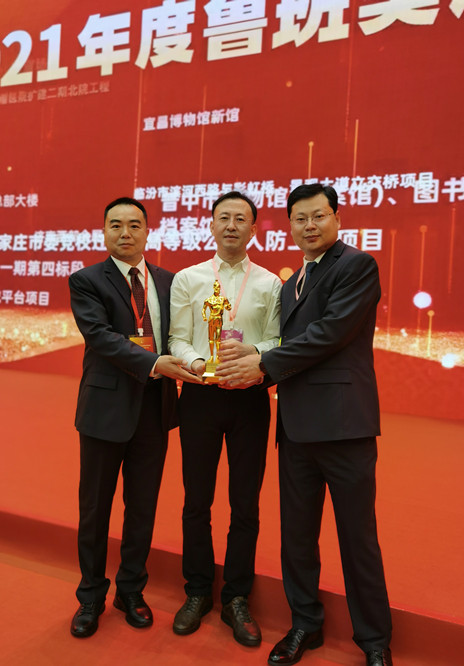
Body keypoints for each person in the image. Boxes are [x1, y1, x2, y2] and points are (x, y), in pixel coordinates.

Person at [216, 184, 393, 666]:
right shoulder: (293, 280)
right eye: (300, 218)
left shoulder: (356, 266)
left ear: (337, 219)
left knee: (357, 538)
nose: (309, 226)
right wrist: (253, 352)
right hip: (294, 427)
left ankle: (374, 641)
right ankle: (304, 625)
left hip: (344, 425)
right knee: (296, 537)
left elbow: (329, 333)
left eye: (318, 216)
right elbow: (284, 341)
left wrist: (262, 365)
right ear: (290, 226)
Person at [68, 196, 201, 638]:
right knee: (95, 509)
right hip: (105, 410)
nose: (125, 232)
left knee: (142, 507)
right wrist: (154, 363)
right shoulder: (87, 280)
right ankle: (90, 596)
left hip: (154, 410)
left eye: (134, 224)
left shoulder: (169, 281)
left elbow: (180, 334)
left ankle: (131, 590)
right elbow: (100, 336)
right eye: (116, 224)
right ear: (104, 231)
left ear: (147, 230)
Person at [168, 191, 282, 647]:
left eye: (240, 219)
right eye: (223, 218)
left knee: (245, 504)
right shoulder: (188, 279)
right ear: (211, 225)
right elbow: (177, 339)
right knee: (196, 500)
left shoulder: (270, 284)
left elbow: (278, 340)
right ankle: (197, 591)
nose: (231, 225)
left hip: (250, 399)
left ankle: (236, 597)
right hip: (200, 398)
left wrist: (251, 354)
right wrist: (198, 363)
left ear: (253, 229)